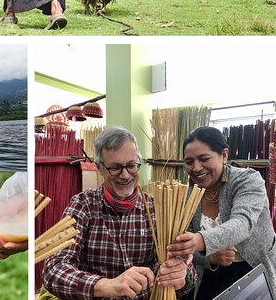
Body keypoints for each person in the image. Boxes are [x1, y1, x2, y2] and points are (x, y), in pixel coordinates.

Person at [43, 127, 195, 299]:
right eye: (115, 168)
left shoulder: (158, 209)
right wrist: (107, 286)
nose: (125, 175)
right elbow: (53, 269)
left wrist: (182, 275)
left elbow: (188, 269)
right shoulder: (83, 206)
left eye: (131, 166)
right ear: (99, 168)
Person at [167, 126, 276, 300]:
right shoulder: (185, 194)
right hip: (209, 276)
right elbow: (182, 250)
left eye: (204, 158)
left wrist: (200, 240)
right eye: (189, 162)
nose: (196, 168)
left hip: (254, 272)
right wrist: (209, 258)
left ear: (224, 155)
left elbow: (242, 223)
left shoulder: (247, 180)